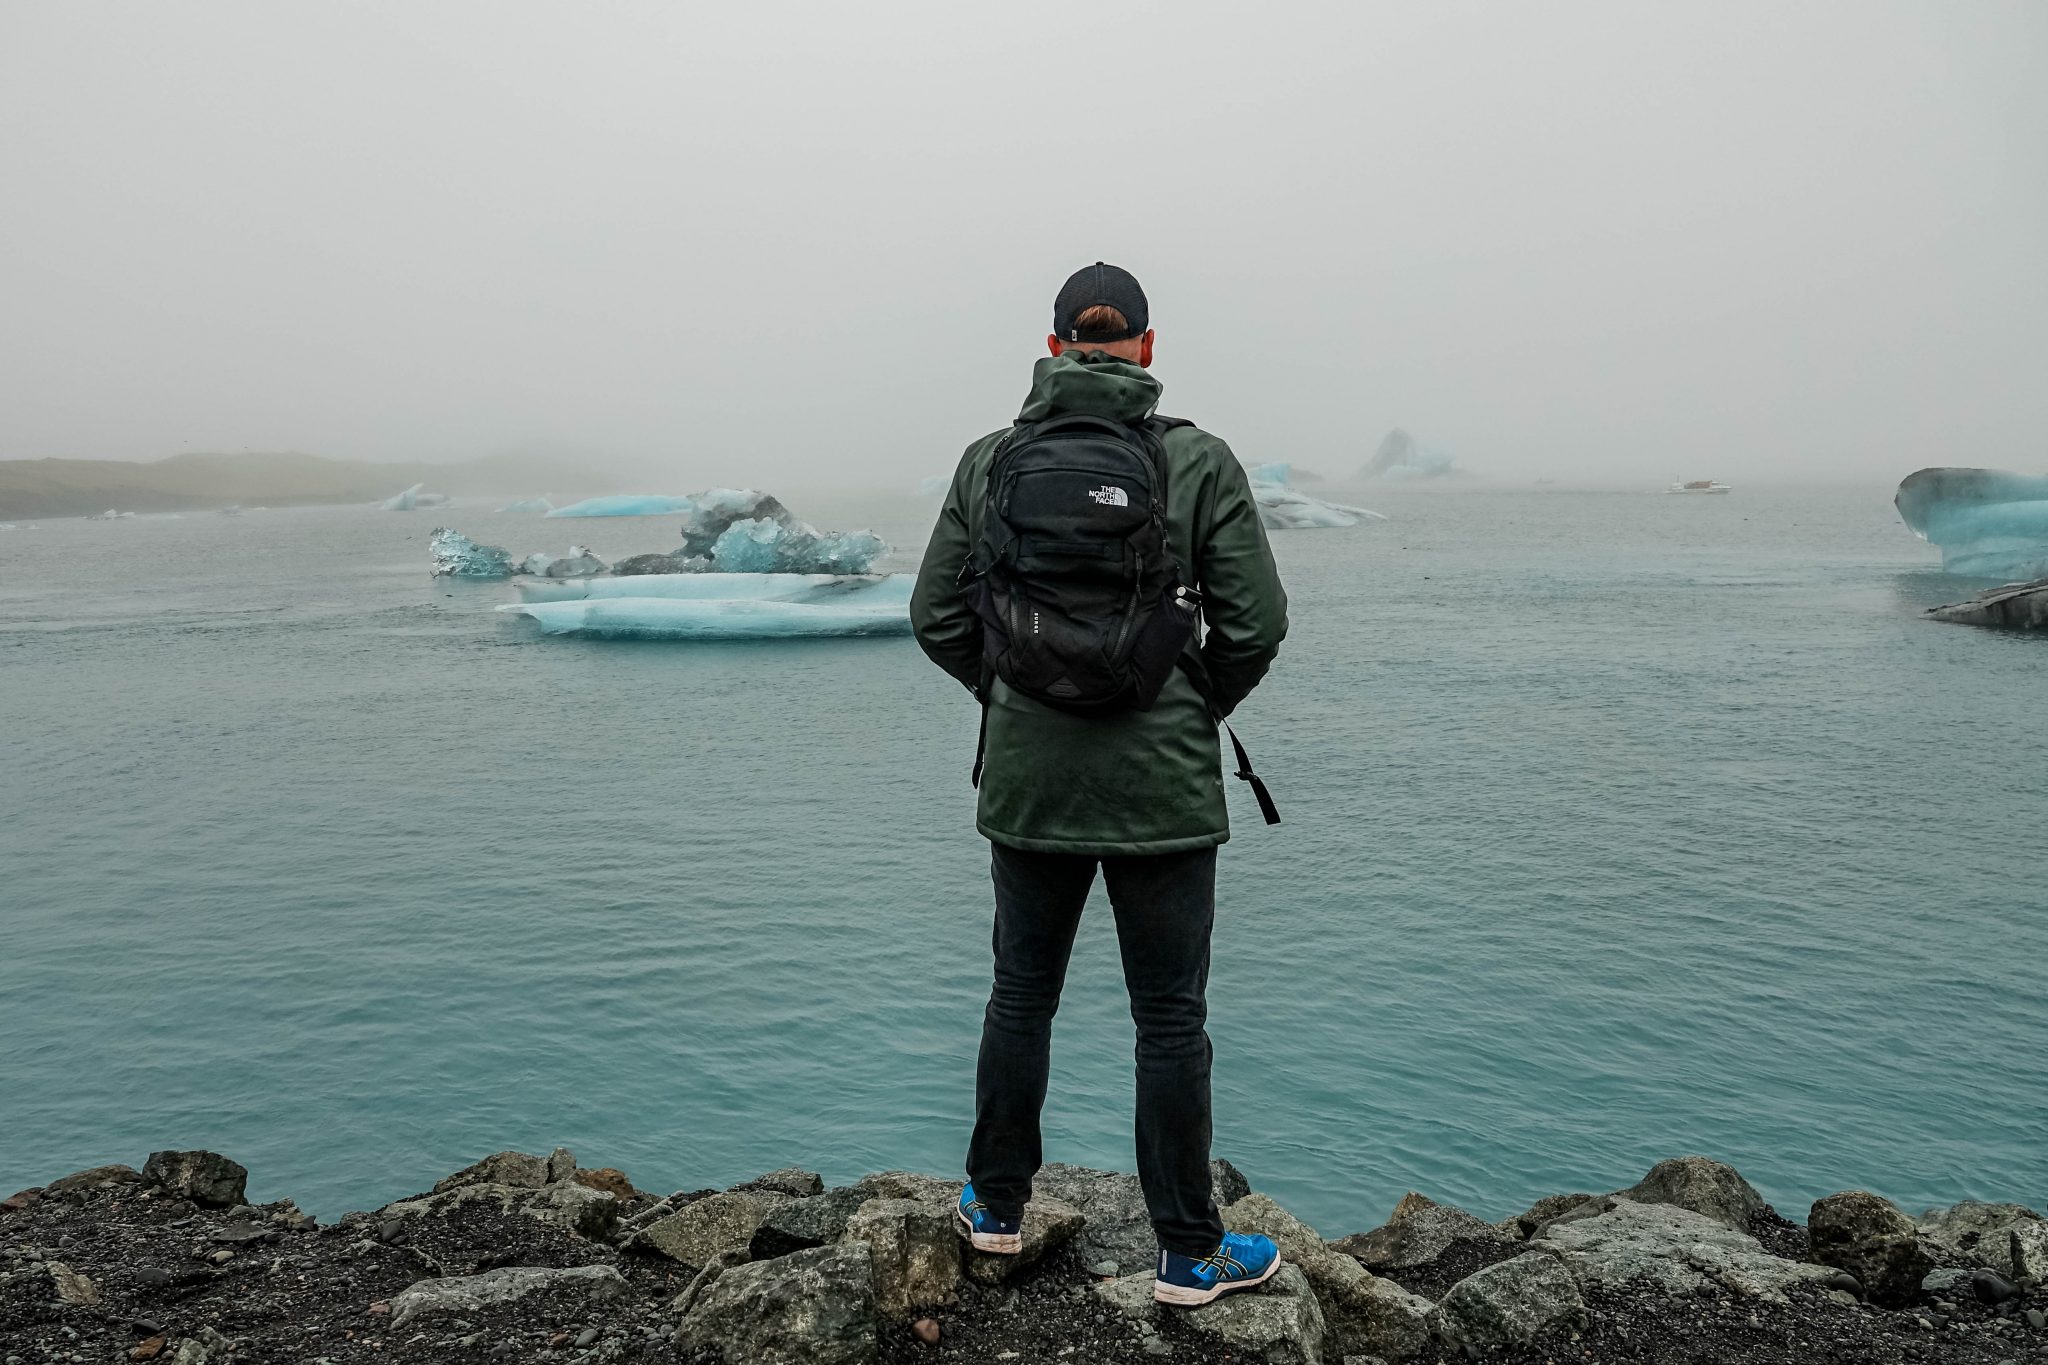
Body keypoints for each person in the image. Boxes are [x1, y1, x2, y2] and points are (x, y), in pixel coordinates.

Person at [910, 262, 1290, 1306]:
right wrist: (1188, 709)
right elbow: (1256, 624)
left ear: (1049, 344)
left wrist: (1012, 699)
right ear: (1148, 349)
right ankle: (1185, 1254)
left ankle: (991, 1209)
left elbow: (935, 618)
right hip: (1161, 787)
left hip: (1029, 782)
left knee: (1019, 995)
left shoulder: (990, 460)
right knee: (1168, 1019)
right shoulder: (1196, 461)